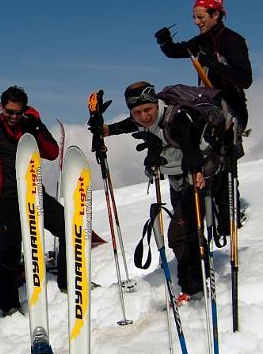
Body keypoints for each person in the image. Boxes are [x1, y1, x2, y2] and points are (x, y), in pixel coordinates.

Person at [90, 81, 211, 303]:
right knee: (191, 228)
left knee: (180, 234)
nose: (144, 116)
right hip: (177, 181)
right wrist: (103, 131)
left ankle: (193, 286)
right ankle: (202, 266)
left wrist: (196, 169)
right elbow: (127, 125)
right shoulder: (141, 121)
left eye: (148, 109)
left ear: (157, 104)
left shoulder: (176, 118)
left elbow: (189, 142)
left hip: (197, 177)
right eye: (137, 112)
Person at [0, 85, 66, 316]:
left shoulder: (29, 129)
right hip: (5, 198)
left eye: (17, 113)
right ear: (1, 108)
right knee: (11, 248)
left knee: (68, 227)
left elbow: (52, 152)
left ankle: (68, 282)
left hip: (34, 192)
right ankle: (9, 304)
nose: (13, 117)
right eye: (9, 112)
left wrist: (37, 125)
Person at [154, 0, 252, 128]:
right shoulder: (202, 41)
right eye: (194, 17)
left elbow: (245, 79)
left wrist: (213, 64)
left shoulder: (233, 41)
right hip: (207, 103)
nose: (196, 22)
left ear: (215, 15)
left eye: (200, 17)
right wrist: (165, 41)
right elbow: (174, 52)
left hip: (232, 108)